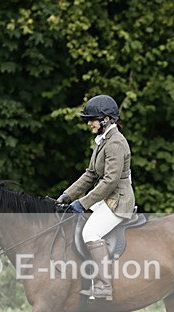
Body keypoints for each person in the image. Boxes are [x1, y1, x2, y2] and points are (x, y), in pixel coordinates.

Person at [57, 94, 136, 301]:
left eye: (92, 119)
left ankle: (103, 286)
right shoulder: (102, 141)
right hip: (106, 198)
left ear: (106, 119)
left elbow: (110, 181)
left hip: (118, 200)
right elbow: (90, 174)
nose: (89, 123)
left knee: (90, 232)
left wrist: (82, 203)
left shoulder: (115, 143)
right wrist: (67, 196)